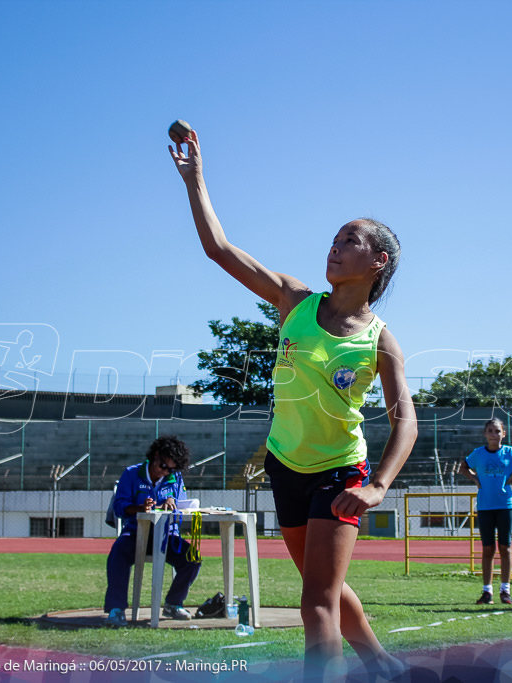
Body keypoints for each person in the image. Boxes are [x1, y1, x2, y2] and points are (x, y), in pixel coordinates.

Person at [171, 130, 418, 680]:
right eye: (333, 238)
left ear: (377, 261)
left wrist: (377, 485)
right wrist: (196, 181)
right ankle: (382, 664)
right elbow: (219, 249)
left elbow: (407, 420)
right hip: (285, 464)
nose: (333, 245)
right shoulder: (294, 300)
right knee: (321, 589)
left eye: (348, 240)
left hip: (338, 470)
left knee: (315, 605)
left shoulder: (380, 340)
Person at [104, 436, 201, 627]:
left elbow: (181, 510)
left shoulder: (175, 479)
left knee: (192, 558)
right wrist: (139, 508)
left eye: (171, 469)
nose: (165, 472)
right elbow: (119, 507)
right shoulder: (131, 474)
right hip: (136, 533)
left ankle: (173, 603)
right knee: (117, 554)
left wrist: (173, 504)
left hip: (167, 536)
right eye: (163, 466)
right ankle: (116, 609)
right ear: (155, 456)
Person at [459, 418, 512, 605]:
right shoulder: (478, 454)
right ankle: (487, 592)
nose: (494, 435)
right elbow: (463, 467)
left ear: (504, 433)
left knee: (505, 547)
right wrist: (475, 479)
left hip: (505, 505)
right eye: (490, 431)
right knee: (488, 548)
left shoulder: (510, 452)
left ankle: (505, 590)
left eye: (497, 431)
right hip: (485, 506)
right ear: (485, 434)